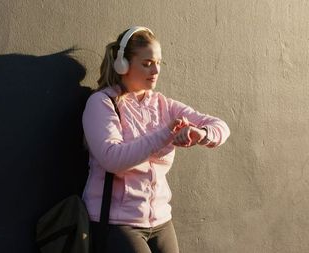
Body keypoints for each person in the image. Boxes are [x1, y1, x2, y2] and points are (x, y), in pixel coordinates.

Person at [82, 26, 230, 253]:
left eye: (159, 63)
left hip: (161, 221)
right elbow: (112, 159)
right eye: (147, 63)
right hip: (117, 222)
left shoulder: (164, 105)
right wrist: (166, 134)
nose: (155, 70)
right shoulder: (102, 104)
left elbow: (220, 126)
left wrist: (201, 134)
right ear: (123, 64)